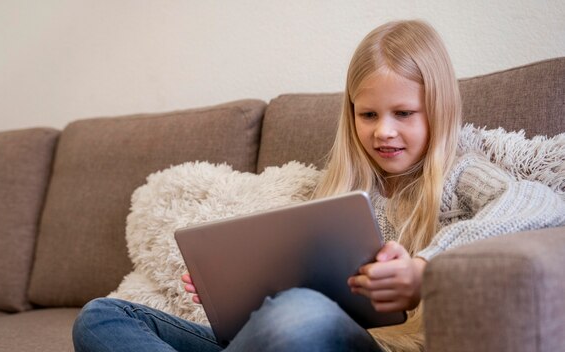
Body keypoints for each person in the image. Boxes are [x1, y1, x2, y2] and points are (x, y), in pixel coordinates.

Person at [72, 20, 565, 352]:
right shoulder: (344, 192)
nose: (383, 131)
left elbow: (540, 200)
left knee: (300, 314)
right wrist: (230, 293)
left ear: (438, 110)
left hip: (373, 345)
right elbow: (293, 301)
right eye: (368, 114)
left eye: (404, 114)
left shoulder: (460, 174)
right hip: (289, 336)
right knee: (101, 317)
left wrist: (423, 270)